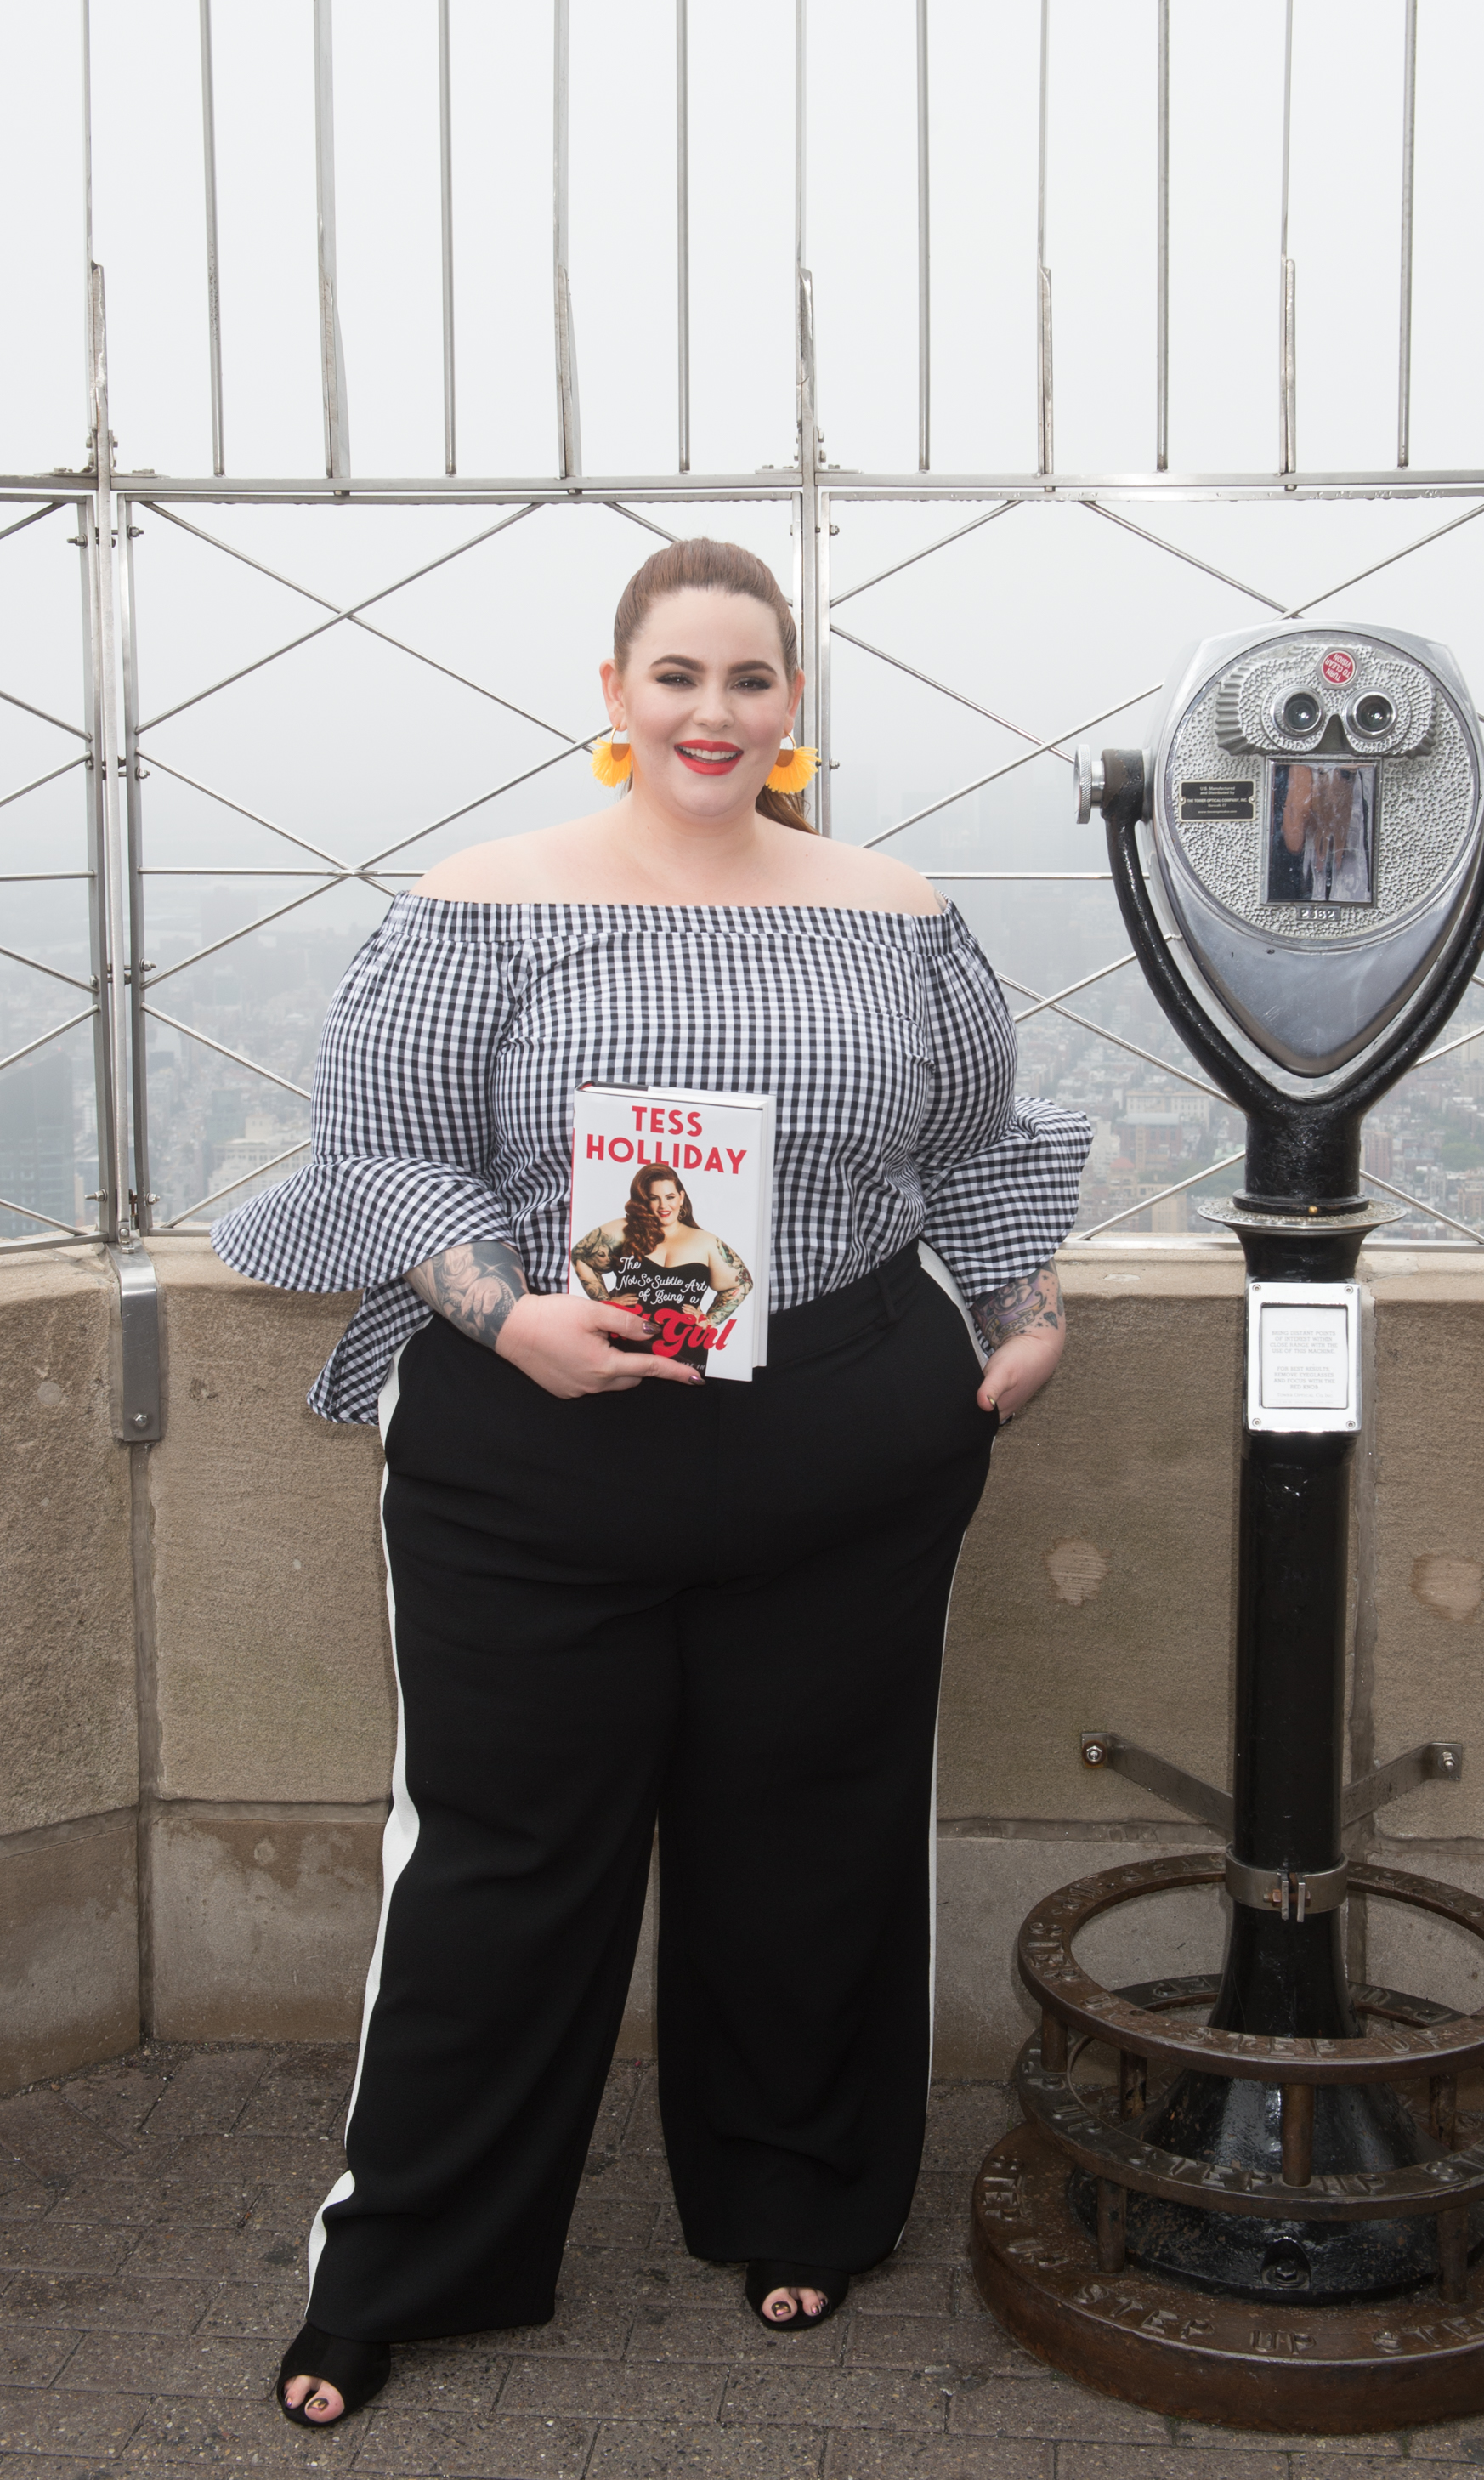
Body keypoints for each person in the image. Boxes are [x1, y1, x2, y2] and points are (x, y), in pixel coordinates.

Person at [212, 537, 1090, 2426]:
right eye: (677, 676)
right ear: (611, 694)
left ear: (793, 711)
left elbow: (979, 1146)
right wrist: (500, 1311)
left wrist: (1022, 1317)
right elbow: (383, 1148)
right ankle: (408, 2263)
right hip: (534, 1437)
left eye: (750, 681)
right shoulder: (478, 905)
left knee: (813, 1834)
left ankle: (797, 2199)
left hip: (844, 1436)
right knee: (500, 1859)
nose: (714, 713)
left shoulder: (894, 913)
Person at [573, 1163, 751, 1374]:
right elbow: (581, 1256)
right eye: (653, 1198)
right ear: (643, 1201)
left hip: (684, 1348)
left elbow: (742, 1283)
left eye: (670, 1197)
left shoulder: (707, 1242)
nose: (663, 1206)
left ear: (681, 1197)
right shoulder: (624, 1230)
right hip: (624, 1342)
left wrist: (710, 1321)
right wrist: (604, 1303)